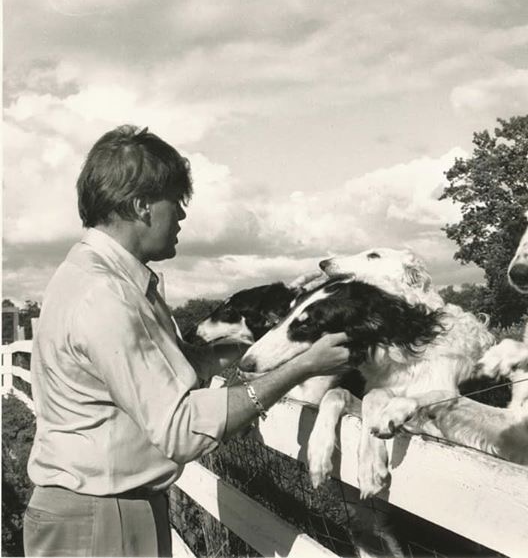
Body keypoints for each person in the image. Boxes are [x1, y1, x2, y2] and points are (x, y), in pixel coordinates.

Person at [23, 125, 350, 557]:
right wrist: (301, 366)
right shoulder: (108, 296)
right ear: (142, 207)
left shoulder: (90, 274)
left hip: (94, 511)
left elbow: (138, 373)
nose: (181, 216)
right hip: (105, 519)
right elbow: (178, 427)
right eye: (175, 202)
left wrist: (223, 354)